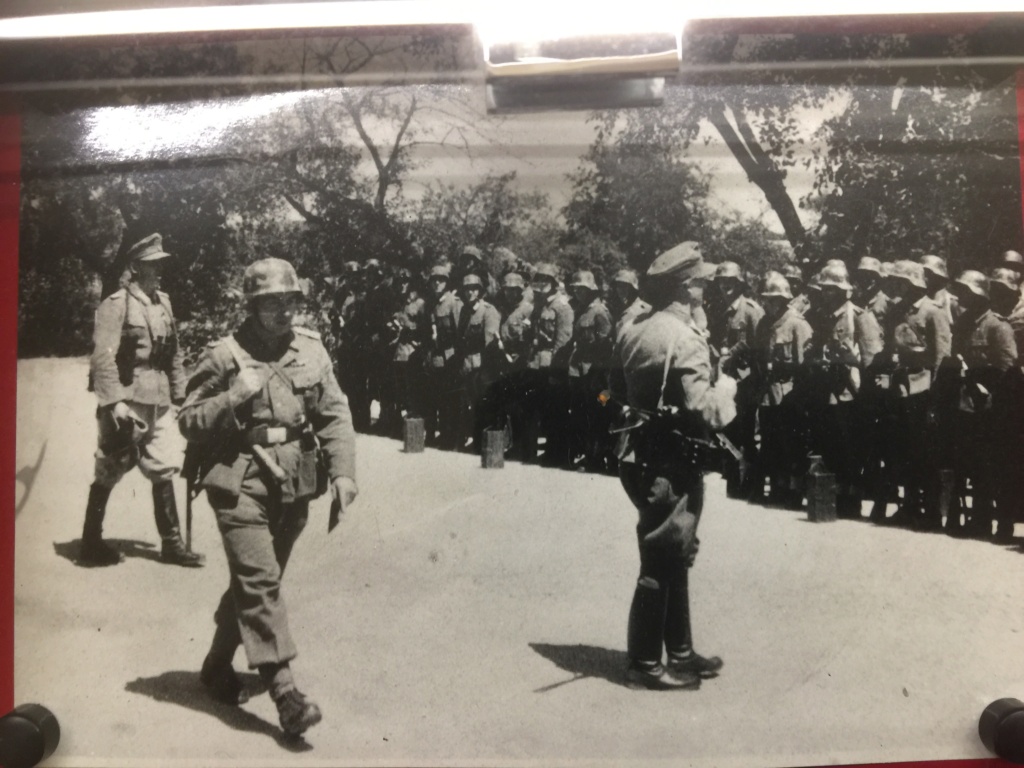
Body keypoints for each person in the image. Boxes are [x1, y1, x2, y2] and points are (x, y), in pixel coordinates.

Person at [178, 258, 358, 737]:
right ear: (253, 307)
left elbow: (334, 413)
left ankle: (218, 664)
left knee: (258, 579)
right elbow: (187, 421)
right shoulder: (224, 355)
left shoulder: (312, 350)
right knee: (260, 583)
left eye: (291, 301)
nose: (284, 311)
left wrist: (343, 473)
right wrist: (234, 395)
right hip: (239, 481)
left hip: (295, 480)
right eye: (272, 303)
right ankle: (286, 694)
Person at [609, 241, 737, 691]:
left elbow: (611, 389)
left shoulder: (633, 328)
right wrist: (730, 390)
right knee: (662, 555)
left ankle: (680, 652)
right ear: (687, 288)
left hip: (637, 452)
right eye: (701, 282)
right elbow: (708, 410)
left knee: (673, 550)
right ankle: (645, 663)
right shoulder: (683, 337)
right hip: (671, 460)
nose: (706, 288)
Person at [80, 233, 203, 568]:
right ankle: (90, 542)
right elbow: (102, 358)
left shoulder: (163, 303)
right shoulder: (115, 304)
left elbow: (173, 353)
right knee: (110, 467)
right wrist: (114, 402)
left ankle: (172, 545)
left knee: (163, 466)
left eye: (161, 264)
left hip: (159, 398)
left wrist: (180, 396)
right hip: (127, 400)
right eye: (152, 265)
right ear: (136, 267)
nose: (159, 272)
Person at [947, 270, 1016, 539]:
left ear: (980, 296)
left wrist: (988, 389)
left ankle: (1004, 523)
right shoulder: (963, 323)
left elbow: (1008, 369)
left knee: (996, 466)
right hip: (966, 405)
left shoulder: (998, 326)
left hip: (993, 408)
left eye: (967, 292)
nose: (963, 297)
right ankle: (980, 519)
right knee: (973, 463)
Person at [749, 271, 813, 507]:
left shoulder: (797, 324)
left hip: (790, 393)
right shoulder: (764, 324)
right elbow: (758, 357)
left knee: (792, 444)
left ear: (781, 299)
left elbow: (804, 366)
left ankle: (793, 491)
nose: (766, 303)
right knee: (771, 442)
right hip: (768, 392)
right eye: (765, 298)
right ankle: (777, 487)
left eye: (770, 299)